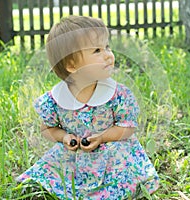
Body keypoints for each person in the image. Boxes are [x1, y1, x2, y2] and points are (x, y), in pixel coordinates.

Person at [17, 15, 159, 199]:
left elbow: (127, 127)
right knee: (54, 162)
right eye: (97, 50)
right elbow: (47, 128)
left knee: (122, 160)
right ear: (72, 65)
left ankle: (112, 191)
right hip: (76, 156)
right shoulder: (56, 98)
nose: (108, 55)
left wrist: (102, 138)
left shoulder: (116, 94)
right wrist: (64, 137)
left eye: (107, 47)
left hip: (109, 149)